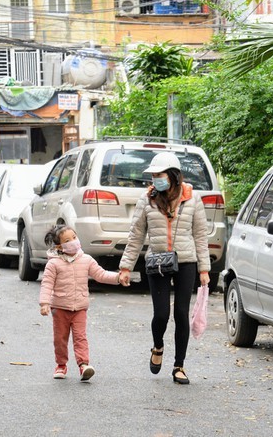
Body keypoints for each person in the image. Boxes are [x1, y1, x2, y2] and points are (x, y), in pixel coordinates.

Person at [119, 152, 211, 385]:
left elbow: (200, 235)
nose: (155, 179)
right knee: (161, 314)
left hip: (186, 261)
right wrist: (126, 267)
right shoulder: (147, 199)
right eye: (153, 175)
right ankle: (158, 347)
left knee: (181, 314)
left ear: (172, 175)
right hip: (157, 261)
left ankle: (179, 365)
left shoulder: (192, 199)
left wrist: (204, 268)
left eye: (159, 175)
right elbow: (136, 235)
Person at [40, 225, 131, 381]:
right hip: (60, 307)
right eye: (68, 240)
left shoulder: (86, 260)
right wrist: (44, 303)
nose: (73, 242)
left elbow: (100, 275)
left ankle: (84, 365)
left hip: (80, 308)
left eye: (74, 237)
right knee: (60, 339)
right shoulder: (53, 264)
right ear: (59, 246)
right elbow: (47, 284)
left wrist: (117, 278)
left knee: (80, 337)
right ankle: (61, 365)